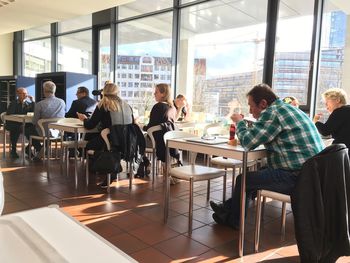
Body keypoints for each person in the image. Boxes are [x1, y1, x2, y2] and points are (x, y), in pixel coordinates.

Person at [210, 83, 324, 229]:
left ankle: (234, 220)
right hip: (312, 175)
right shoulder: (288, 109)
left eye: (251, 106)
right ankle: (227, 209)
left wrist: (239, 122)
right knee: (257, 174)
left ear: (263, 103)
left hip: (298, 177)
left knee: (243, 180)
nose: (251, 112)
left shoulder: (273, 112)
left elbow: (248, 142)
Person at [77, 83, 133, 187]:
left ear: (104, 92)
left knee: (89, 145)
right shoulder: (127, 105)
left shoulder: (104, 104)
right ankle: (114, 167)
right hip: (127, 141)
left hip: (110, 140)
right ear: (117, 92)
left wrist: (84, 119)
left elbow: (90, 125)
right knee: (105, 144)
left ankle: (103, 169)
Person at [28, 81, 66, 155]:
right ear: (54, 90)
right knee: (45, 128)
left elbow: (35, 121)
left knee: (26, 129)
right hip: (59, 132)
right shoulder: (62, 102)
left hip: (44, 132)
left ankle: (39, 149)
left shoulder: (40, 104)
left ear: (44, 91)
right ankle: (42, 148)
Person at [5, 87, 35, 158]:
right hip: (13, 123)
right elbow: (9, 113)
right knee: (16, 128)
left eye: (25, 94)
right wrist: (19, 103)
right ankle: (13, 150)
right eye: (22, 93)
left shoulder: (29, 103)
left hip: (25, 124)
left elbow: (34, 112)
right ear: (18, 94)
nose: (24, 95)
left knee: (32, 129)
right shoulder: (13, 102)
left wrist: (33, 102)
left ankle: (28, 148)